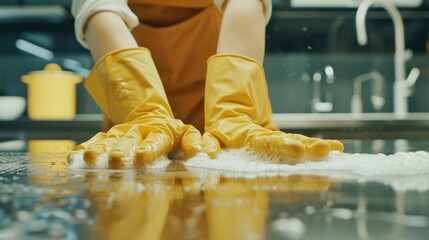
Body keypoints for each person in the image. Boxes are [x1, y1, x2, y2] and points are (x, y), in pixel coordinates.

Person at [68, 0, 344, 169]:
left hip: (238, 144)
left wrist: (233, 111)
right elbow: (98, 6)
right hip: (140, 142)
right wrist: (144, 112)